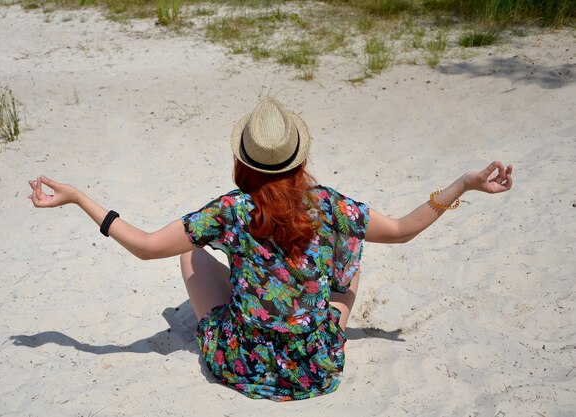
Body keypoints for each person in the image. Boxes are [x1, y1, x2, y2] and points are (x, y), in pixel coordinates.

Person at [28, 97, 513, 401]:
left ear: (244, 160)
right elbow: (405, 229)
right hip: (314, 367)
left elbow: (146, 246)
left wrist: (78, 199)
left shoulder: (230, 211)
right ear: (300, 156)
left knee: (188, 252)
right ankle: (318, 326)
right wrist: (464, 184)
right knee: (350, 254)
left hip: (244, 362)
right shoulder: (328, 205)